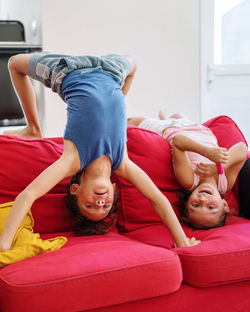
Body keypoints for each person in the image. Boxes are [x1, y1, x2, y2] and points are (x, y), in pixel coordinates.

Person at [0, 52, 199, 252]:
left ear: (75, 189)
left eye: (90, 206)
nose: (100, 203)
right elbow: (158, 200)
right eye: (105, 206)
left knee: (14, 64)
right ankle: (116, 95)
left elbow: (28, 195)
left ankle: (33, 128)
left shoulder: (72, 161)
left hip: (68, 71)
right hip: (112, 72)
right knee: (134, 63)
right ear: (113, 189)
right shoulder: (122, 163)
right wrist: (182, 242)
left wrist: (4, 244)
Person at [128, 111, 248, 229]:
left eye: (195, 205)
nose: (202, 200)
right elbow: (242, 148)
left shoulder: (189, 180)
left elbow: (178, 141)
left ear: (188, 201)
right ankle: (164, 116)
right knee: (177, 115)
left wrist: (207, 152)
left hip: (170, 128)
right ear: (225, 205)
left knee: (130, 121)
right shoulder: (224, 183)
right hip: (197, 128)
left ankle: (162, 119)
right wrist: (218, 168)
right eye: (211, 207)